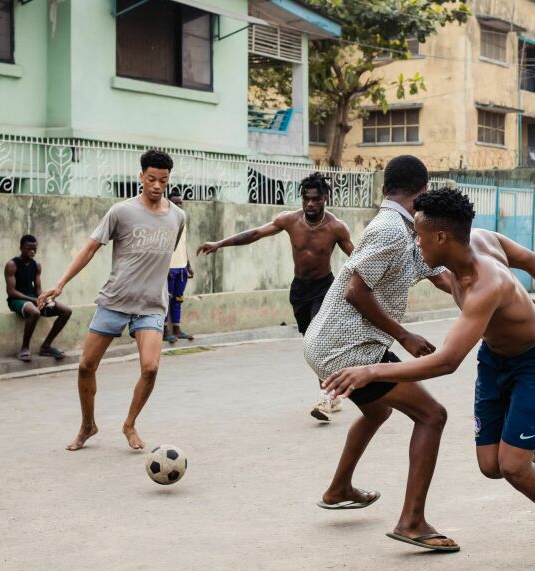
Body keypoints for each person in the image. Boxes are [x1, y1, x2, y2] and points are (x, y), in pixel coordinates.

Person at [323, 188, 535, 556]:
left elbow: (448, 361)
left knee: (513, 466)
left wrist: (373, 371)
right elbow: (531, 259)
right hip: (495, 358)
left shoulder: (486, 284)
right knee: (490, 466)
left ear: (440, 237)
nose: (415, 243)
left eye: (418, 236)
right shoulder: (471, 245)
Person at [303, 155, 459, 552]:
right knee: (432, 415)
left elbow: (438, 274)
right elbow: (357, 290)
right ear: (422, 190)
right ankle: (412, 522)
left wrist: (486, 301)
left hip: (341, 345)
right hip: (345, 349)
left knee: (379, 409)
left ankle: (339, 488)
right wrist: (403, 336)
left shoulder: (405, 228)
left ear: (386, 187)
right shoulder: (391, 229)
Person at [38, 149, 185, 452]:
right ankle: (87, 425)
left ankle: (129, 423)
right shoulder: (121, 211)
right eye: (152, 179)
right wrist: (60, 283)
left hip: (151, 306)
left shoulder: (178, 217)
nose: (157, 185)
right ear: (141, 176)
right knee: (85, 366)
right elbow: (90, 249)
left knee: (151, 368)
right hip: (115, 301)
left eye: (163, 181)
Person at [196, 173, 354, 422]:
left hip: (325, 288)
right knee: (310, 342)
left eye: (315, 199)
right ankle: (333, 392)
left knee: (318, 340)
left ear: (325, 199)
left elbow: (356, 258)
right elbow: (256, 233)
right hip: (299, 291)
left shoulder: (336, 227)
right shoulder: (290, 220)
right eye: (306, 199)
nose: (310, 204)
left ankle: (326, 396)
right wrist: (220, 243)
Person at [4, 235, 72, 362]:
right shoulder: (12, 265)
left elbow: (38, 290)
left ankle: (46, 347)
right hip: (16, 300)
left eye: (34, 249)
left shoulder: (36, 265)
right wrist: (34, 300)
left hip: (33, 299)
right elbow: (11, 292)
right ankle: (24, 348)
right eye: (29, 249)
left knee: (66, 311)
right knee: (34, 312)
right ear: (21, 248)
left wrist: (44, 298)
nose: (32, 252)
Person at [165, 194, 194, 342]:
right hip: (169, 269)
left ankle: (177, 329)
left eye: (181, 203)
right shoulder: (165, 221)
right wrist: (165, 267)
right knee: (165, 300)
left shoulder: (183, 221)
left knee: (178, 299)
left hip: (182, 268)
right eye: (176, 203)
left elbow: (182, 244)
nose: (179, 205)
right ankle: (164, 331)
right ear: (169, 203)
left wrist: (188, 265)